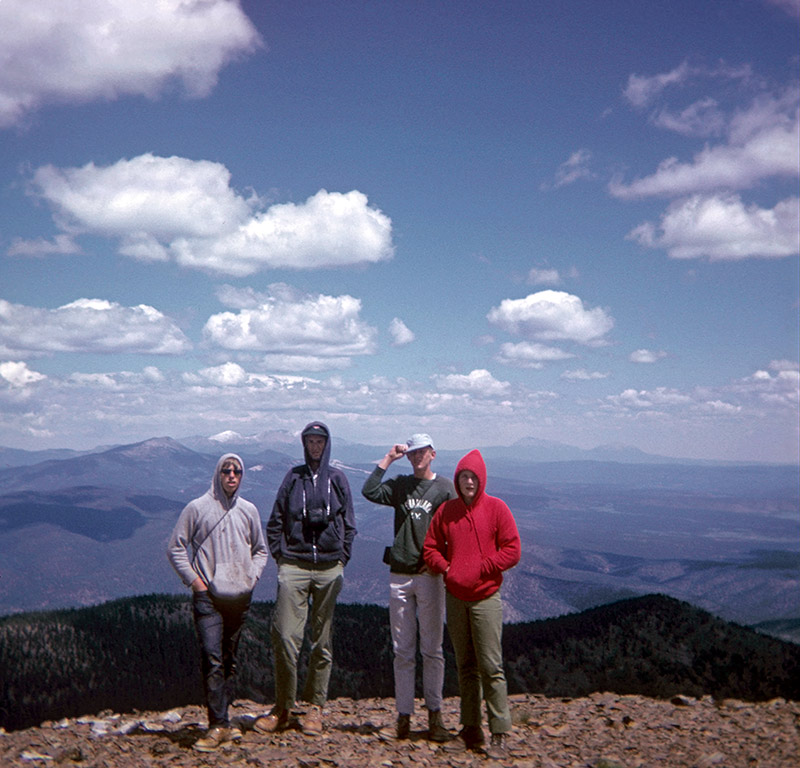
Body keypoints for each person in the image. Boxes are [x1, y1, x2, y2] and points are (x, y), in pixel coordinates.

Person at [256, 422, 357, 737]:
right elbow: (275, 520)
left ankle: (315, 708)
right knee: (286, 637)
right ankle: (284, 707)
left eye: (320, 442)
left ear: (327, 445)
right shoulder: (293, 477)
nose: (315, 447)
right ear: (304, 444)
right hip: (294, 565)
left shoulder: (337, 479)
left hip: (329, 568)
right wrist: (281, 556)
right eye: (310, 441)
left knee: (321, 642)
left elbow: (350, 523)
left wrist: (342, 558)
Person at [423, 449, 521, 759]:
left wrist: (482, 567)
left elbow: (513, 549)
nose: (468, 482)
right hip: (456, 599)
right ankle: (470, 729)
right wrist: (447, 568)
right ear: (457, 480)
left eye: (473, 478)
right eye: (464, 477)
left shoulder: (496, 509)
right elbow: (430, 548)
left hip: (485, 599)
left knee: (491, 667)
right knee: (465, 668)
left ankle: (500, 732)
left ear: (482, 480)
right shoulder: (447, 511)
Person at [167, 453, 268, 752]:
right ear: (218, 474)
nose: (232, 476)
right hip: (208, 597)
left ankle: (224, 722)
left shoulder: (248, 510)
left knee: (229, 660)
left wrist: (252, 577)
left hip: (239, 596)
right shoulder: (197, 508)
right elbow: (175, 547)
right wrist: (196, 583)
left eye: (237, 471)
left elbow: (261, 550)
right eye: (227, 470)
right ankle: (218, 725)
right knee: (213, 659)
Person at [361, 433, 456, 742]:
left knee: (432, 649)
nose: (416, 457)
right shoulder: (401, 485)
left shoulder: (443, 489)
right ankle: (403, 717)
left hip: (429, 575)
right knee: (403, 650)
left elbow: (456, 528)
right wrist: (388, 458)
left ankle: (435, 716)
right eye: (412, 452)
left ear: (433, 454)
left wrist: (442, 562)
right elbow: (370, 490)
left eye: (421, 452)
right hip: (399, 573)